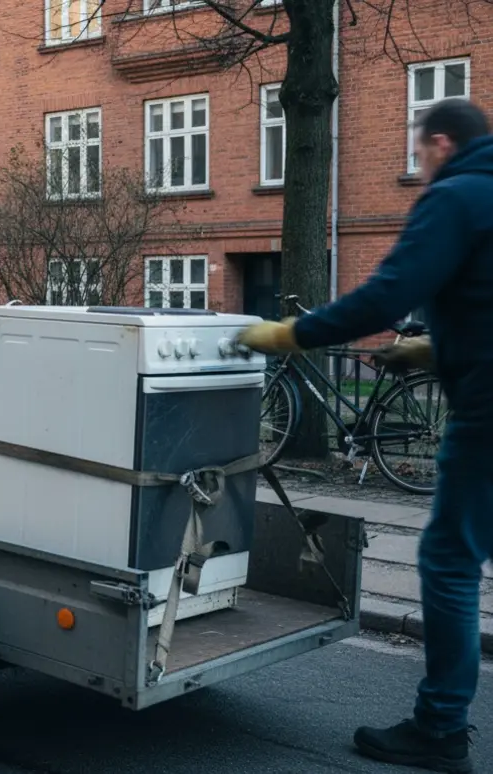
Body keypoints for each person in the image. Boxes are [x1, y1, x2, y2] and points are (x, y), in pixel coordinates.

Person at [237, 97, 493, 774]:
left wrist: (292, 333)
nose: (416, 162)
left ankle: (440, 727)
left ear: (443, 143)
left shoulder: (457, 196)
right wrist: (435, 349)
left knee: (448, 560)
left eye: (418, 149)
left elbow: (384, 295)